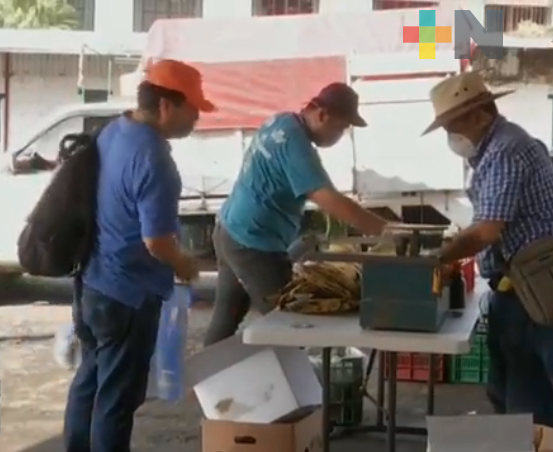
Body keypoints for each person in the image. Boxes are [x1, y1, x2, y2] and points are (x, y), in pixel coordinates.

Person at [63, 59, 215, 452]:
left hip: (91, 284)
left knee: (90, 382)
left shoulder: (113, 131)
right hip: (127, 296)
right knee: (117, 401)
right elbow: (157, 242)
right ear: (167, 105)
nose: (197, 118)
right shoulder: (156, 160)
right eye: (193, 109)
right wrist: (186, 266)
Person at [204, 82, 389, 347]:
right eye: (340, 127)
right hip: (253, 244)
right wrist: (386, 230)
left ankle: (204, 385)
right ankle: (277, 386)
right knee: (291, 327)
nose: (340, 135)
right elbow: (328, 199)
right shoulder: (296, 144)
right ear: (322, 115)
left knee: (225, 320)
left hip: (230, 230)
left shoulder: (281, 122)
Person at [424, 72, 553, 426]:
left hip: (534, 288)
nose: (452, 135)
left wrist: (433, 258)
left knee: (527, 399)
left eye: (453, 124)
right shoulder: (502, 147)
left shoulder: (505, 151)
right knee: (515, 395)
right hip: (517, 289)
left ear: (479, 113)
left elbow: (486, 230)